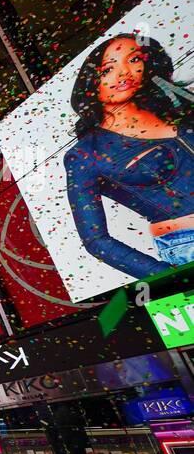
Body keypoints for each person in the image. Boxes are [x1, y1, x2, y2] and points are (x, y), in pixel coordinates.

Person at [65, 33, 194, 278]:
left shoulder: (178, 109)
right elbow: (96, 240)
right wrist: (168, 278)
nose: (124, 72)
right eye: (108, 70)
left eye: (134, 59)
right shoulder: (86, 154)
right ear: (92, 81)